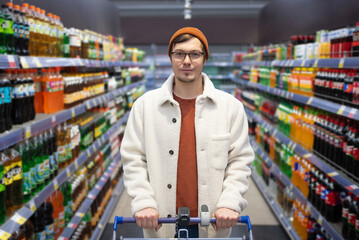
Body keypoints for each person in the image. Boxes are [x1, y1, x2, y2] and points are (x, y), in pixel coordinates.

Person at [120, 27, 254, 238]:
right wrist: (143, 202)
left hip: (212, 221)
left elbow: (240, 160)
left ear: (204, 58)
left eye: (195, 54)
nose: (187, 61)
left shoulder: (231, 108)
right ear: (171, 58)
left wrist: (230, 202)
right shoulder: (144, 106)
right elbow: (133, 159)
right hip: (161, 221)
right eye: (179, 54)